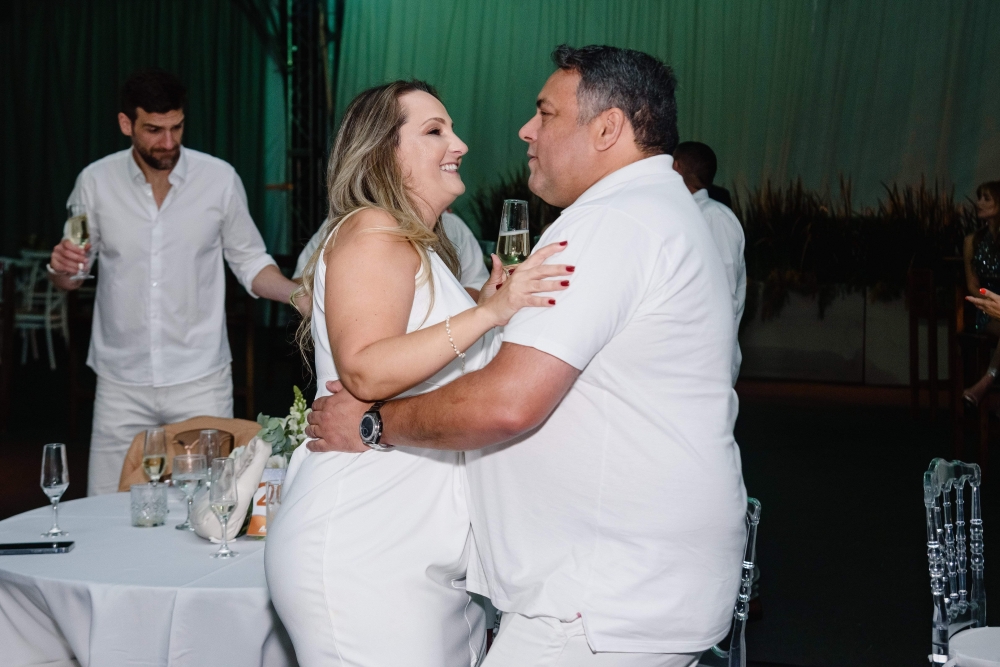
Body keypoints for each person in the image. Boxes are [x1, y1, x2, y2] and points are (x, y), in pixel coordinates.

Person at [305, 45, 747, 666]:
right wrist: (487, 311)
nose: (525, 130)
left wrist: (373, 424)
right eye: (435, 130)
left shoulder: (613, 222)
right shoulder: (652, 211)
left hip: (598, 599)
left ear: (607, 128)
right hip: (603, 585)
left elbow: (508, 401)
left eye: (546, 113)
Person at [263, 80, 571, 667]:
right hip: (364, 541)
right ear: (384, 152)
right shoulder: (372, 229)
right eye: (434, 131)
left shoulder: (417, 245)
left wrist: (484, 302)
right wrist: (487, 314)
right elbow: (364, 370)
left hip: (414, 544)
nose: (460, 143)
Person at [47, 69, 305, 496]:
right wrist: (61, 268)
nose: (168, 142)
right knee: (104, 507)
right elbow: (72, 275)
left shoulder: (219, 179)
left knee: (209, 506)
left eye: (177, 127)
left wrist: (299, 295)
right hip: (120, 382)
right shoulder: (94, 181)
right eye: (154, 130)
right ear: (126, 124)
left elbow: (250, 261)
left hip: (200, 379)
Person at [672, 140, 747, 383]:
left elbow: (723, 294)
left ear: (676, 167)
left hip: (704, 362)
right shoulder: (687, 213)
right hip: (687, 358)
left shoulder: (714, 217)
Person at [294, 209, 489, 298]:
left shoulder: (453, 225)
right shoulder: (348, 224)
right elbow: (302, 280)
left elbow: (477, 283)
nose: (460, 148)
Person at [961, 180, 1000, 406]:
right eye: (979, 198)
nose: (979, 203)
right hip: (986, 309)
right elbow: (972, 285)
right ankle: (986, 382)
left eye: (987, 198)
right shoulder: (972, 241)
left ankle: (985, 382)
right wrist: (991, 303)